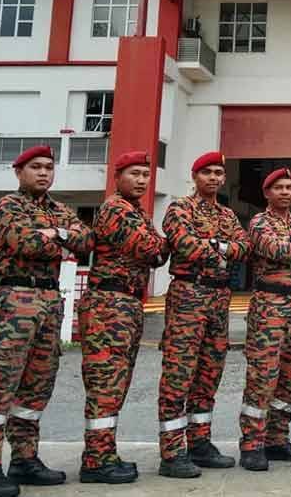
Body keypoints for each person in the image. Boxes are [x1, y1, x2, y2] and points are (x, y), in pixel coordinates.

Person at [0, 145, 93, 497]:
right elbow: (24, 244)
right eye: (35, 167)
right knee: (1, 383)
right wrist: (57, 237)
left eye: (49, 167)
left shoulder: (60, 209)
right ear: (18, 171)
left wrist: (56, 234)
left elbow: (86, 240)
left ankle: (24, 458)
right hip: (14, 300)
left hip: (50, 300)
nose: (43, 173)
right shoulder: (8, 206)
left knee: (37, 385)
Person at [157, 151, 249, 478]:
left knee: (209, 373)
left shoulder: (226, 213)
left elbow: (243, 247)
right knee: (179, 373)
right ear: (195, 176)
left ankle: (200, 443)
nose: (213, 178)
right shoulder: (179, 208)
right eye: (207, 172)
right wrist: (222, 248)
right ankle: (171, 452)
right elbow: (185, 245)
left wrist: (217, 247)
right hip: (188, 294)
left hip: (219, 297)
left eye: (218, 173)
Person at [79, 151, 169, 484]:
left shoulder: (136, 212)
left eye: (146, 175)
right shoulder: (116, 209)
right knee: (105, 383)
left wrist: (159, 244)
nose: (142, 180)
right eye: (134, 174)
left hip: (126, 303)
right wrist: (160, 244)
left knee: (116, 383)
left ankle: (104, 453)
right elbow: (154, 251)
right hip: (109, 304)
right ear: (118, 176)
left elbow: (157, 249)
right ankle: (95, 461)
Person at [238, 167, 291, 471]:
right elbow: (271, 248)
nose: (286, 192)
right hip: (269, 306)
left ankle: (276, 440)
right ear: (267, 193)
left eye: (289, 187)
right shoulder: (260, 222)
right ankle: (251, 445)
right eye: (279, 188)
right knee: (263, 376)